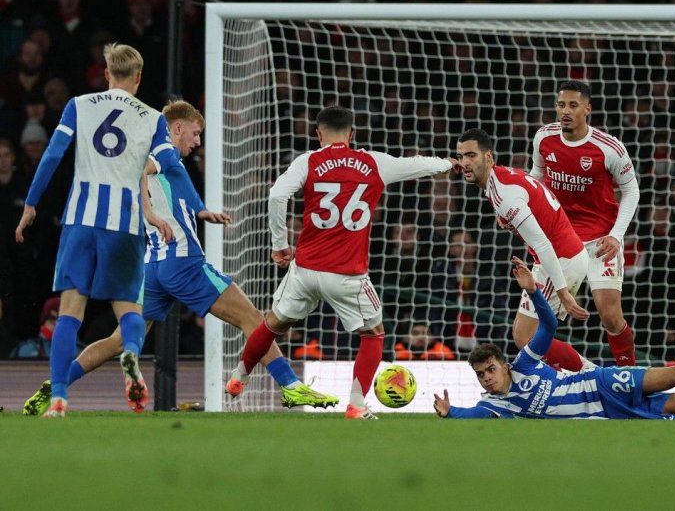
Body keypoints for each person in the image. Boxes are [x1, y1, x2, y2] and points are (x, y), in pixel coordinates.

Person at [22, 100, 337, 416]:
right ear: (177, 128)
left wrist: (201, 212)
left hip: (153, 266)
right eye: (196, 133)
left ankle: (56, 385)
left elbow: (166, 191)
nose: (197, 141)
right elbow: (137, 172)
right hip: (184, 262)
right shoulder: (163, 151)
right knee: (252, 318)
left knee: (118, 340)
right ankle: (292, 388)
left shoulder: (163, 160)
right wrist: (148, 211)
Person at [230, 106, 457, 419]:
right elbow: (415, 165)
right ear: (352, 134)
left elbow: (276, 195)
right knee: (374, 334)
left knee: (272, 324)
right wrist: (447, 163)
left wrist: (280, 245)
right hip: (347, 274)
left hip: (305, 269)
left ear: (318, 133)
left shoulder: (308, 160)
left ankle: (238, 377)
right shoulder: (373, 162)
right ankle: (356, 404)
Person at [14, 43, 182, 418]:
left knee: (70, 312)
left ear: (107, 74)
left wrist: (31, 203)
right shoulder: (153, 118)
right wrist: (188, 207)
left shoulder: (79, 104)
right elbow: (170, 165)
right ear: (137, 77)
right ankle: (132, 356)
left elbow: (53, 154)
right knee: (129, 310)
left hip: (80, 221)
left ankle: (58, 398)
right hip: (124, 224)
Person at [432, 257, 675, 420]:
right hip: (606, 414)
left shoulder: (526, 362)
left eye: (490, 370)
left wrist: (533, 292)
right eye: (482, 376)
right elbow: (469, 415)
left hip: (604, 383)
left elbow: (547, 326)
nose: (488, 379)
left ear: (502, 363)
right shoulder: (498, 406)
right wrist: (450, 415)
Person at [457, 128, 590, 373]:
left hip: (561, 260)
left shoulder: (503, 194)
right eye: (461, 156)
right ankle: (578, 377)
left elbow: (542, 243)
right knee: (522, 335)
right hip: (552, 259)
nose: (465, 162)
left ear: (488, 157)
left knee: (527, 337)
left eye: (471, 155)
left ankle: (589, 376)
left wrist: (563, 294)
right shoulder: (502, 177)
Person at [530, 80, 639, 365]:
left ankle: (629, 379)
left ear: (587, 109)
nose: (565, 111)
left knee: (610, 315)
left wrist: (616, 235)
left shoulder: (609, 147)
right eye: (561, 105)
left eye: (573, 105)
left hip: (600, 242)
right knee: (531, 329)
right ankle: (587, 375)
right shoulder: (544, 138)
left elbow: (631, 190)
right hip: (559, 242)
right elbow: (536, 177)